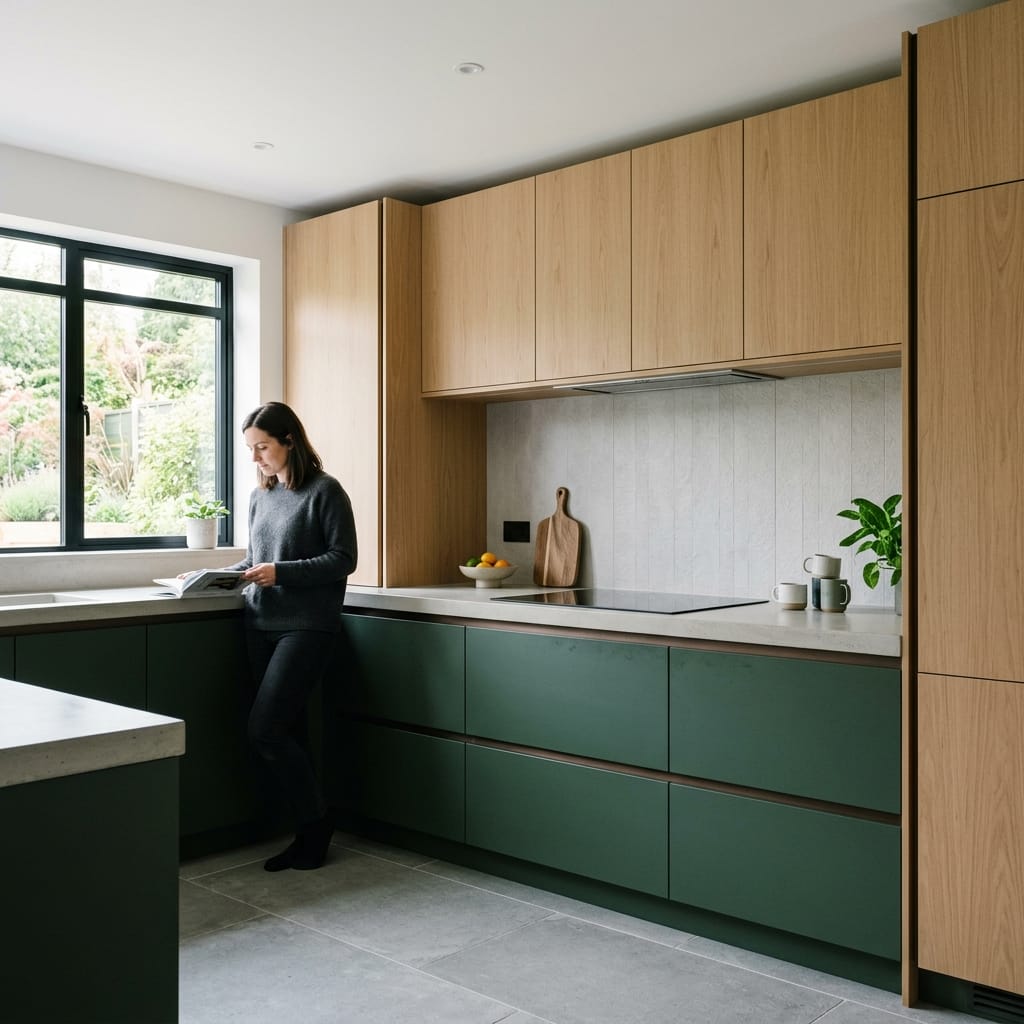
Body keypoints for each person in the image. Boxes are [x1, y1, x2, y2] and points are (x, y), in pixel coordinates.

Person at [218, 401, 357, 872]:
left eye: (263, 447)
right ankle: (306, 832)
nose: (256, 457)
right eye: (251, 449)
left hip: (307, 626)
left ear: (289, 441)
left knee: (266, 728)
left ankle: (317, 825)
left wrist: (281, 573)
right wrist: (214, 576)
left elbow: (342, 559)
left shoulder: (325, 491)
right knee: (287, 729)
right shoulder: (260, 496)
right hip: (259, 624)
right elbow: (256, 559)